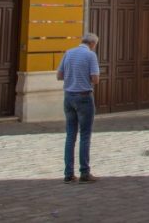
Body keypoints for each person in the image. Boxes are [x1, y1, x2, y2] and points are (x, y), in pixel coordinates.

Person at [57, 33, 100, 183]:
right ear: (93, 44)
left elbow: (59, 75)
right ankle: (84, 173)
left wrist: (73, 76)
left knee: (70, 135)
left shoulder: (69, 53)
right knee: (85, 135)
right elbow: (95, 79)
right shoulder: (90, 55)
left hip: (68, 96)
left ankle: (68, 174)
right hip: (83, 97)